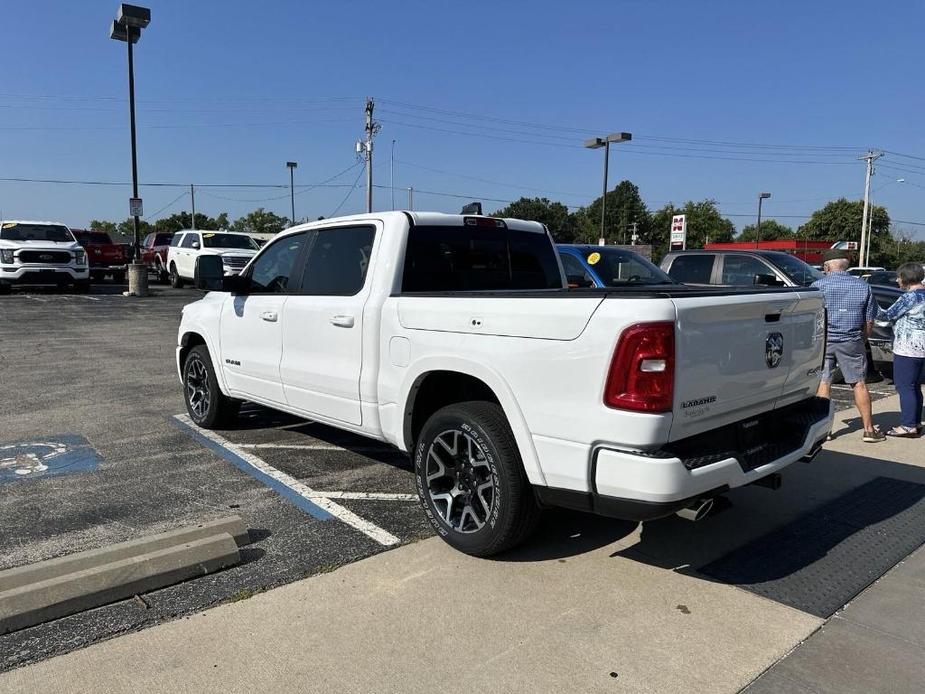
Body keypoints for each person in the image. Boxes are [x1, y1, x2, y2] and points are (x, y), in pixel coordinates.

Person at [812, 249, 885, 442]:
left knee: (824, 382)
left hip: (824, 341)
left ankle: (824, 431)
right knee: (858, 383)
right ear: (846, 266)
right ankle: (869, 430)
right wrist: (864, 338)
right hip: (851, 340)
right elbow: (869, 320)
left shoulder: (817, 286)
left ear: (827, 266)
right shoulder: (863, 287)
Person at [876, 262, 925, 437]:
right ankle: (916, 422)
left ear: (906, 278)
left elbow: (886, 317)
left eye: (899, 277)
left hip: (908, 348)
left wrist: (871, 306)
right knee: (915, 386)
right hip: (922, 348)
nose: (897, 280)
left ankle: (907, 426)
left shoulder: (909, 298)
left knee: (905, 387)